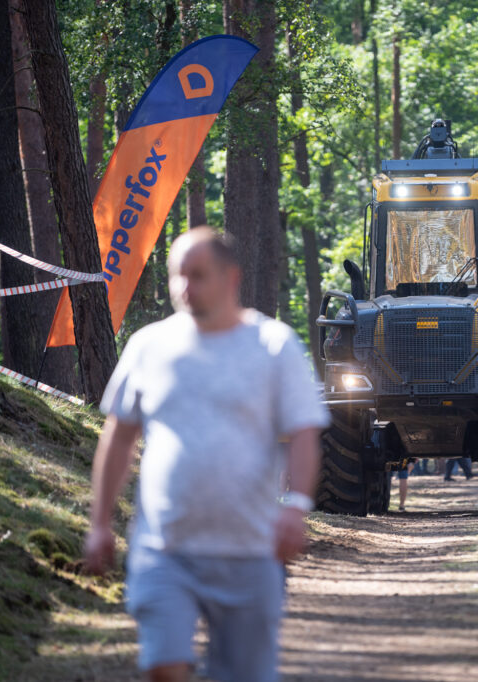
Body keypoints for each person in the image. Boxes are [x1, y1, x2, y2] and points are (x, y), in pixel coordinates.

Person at [83, 228, 329, 682]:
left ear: (231, 278)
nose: (184, 287)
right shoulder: (148, 346)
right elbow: (118, 438)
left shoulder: (274, 346)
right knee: (163, 666)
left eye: (197, 276)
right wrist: (99, 524)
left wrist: (296, 508)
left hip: (250, 552)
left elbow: (304, 433)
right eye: (178, 275)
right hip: (164, 548)